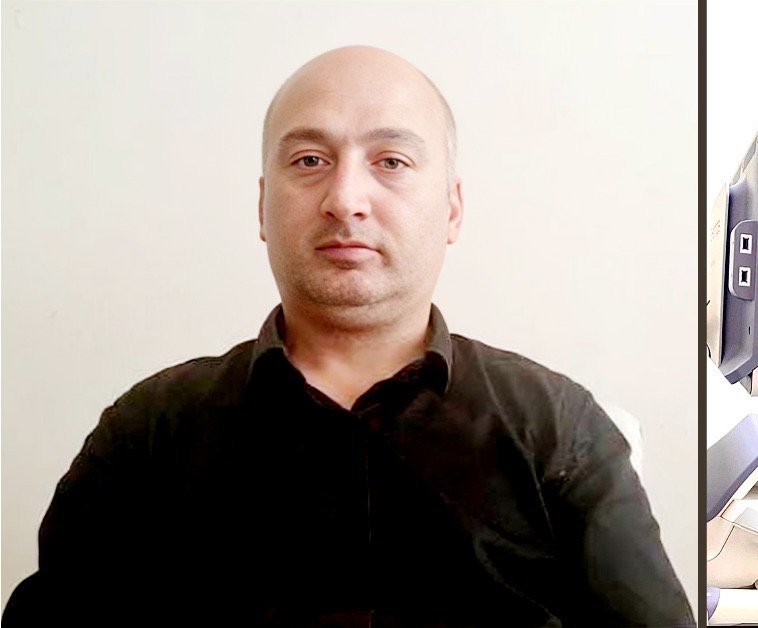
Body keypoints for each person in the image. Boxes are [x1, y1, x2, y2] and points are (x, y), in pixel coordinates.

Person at [3, 46, 693, 627]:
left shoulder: (560, 432)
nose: (345, 200)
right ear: (263, 207)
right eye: (309, 161)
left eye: (391, 161)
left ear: (451, 208)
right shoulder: (148, 434)